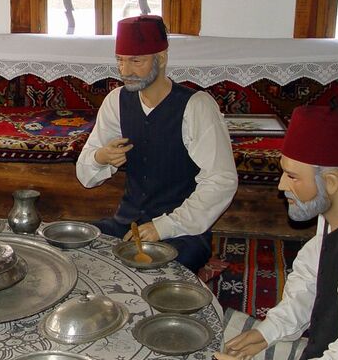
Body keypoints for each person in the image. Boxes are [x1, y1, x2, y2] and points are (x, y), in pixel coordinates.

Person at [194, 105, 338, 360]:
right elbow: (312, 279)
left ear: (331, 183)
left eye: (291, 176)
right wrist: (268, 331)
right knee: (202, 327)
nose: (282, 186)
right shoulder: (337, 213)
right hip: (329, 356)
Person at [75, 15, 238, 273]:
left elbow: (222, 180)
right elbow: (86, 175)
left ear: (161, 58)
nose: (125, 71)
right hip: (126, 225)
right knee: (76, 253)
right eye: (120, 60)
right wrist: (101, 158)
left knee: (161, 274)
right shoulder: (116, 101)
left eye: (136, 61)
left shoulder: (196, 106)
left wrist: (164, 227)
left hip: (182, 232)